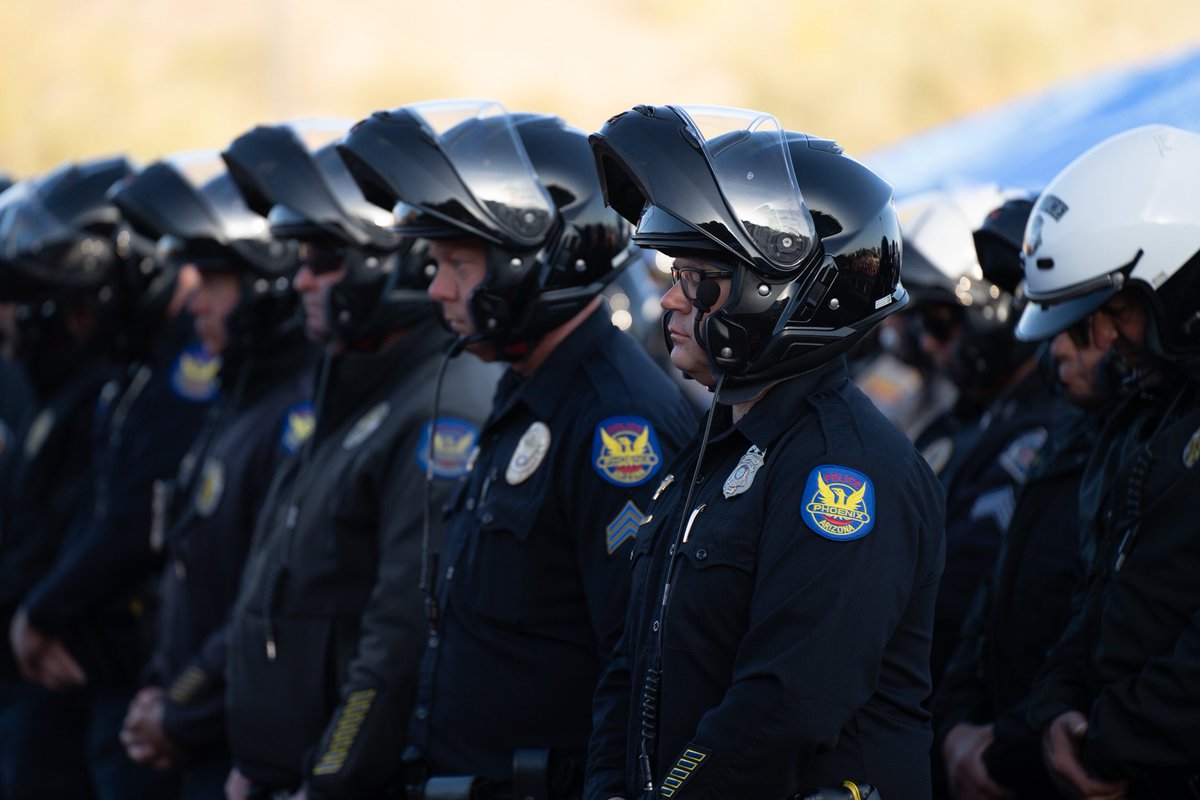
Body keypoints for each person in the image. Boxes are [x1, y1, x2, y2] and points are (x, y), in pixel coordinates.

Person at [584, 104, 945, 799]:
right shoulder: (714, 448)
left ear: (774, 288)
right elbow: (630, 667)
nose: (668, 300)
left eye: (696, 276)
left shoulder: (848, 472)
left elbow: (781, 709)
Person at [338, 100, 695, 797]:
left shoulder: (618, 426)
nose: (436, 287)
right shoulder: (526, 390)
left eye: (458, 265)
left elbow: (643, 666)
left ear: (540, 262)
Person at [218, 120, 500, 800]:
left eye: (324, 262)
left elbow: (399, 637)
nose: (301, 282)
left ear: (388, 262)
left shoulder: (437, 406)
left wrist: (325, 779)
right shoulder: (351, 382)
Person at [5, 155, 220, 800]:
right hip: (112, 670)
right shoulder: (140, 360)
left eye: (81, 296)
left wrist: (40, 614)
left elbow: (135, 516)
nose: (76, 321)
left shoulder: (192, 363)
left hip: (153, 677)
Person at [109, 151, 318, 799]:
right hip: (193, 732)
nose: (196, 298)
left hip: (230, 744)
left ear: (266, 283)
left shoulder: (293, 412)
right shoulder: (243, 394)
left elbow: (262, 605)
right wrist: (158, 686)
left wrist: (178, 706)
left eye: (217, 281)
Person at [1017, 124, 1200, 798]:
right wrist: (1054, 714)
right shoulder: (1145, 416)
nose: (1098, 339)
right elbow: (1094, 595)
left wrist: (1109, 743)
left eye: (1114, 310)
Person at [935, 307, 1121, 798]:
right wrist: (954, 727)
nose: (1057, 348)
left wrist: (1010, 745)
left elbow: (1112, 634)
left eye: (1082, 331)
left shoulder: (1140, 452)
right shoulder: (1068, 431)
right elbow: (992, 589)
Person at [0, 157, 135, 800]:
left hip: (71, 662)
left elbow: (91, 524)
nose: (14, 315)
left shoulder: (102, 387)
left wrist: (36, 611)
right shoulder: (55, 383)